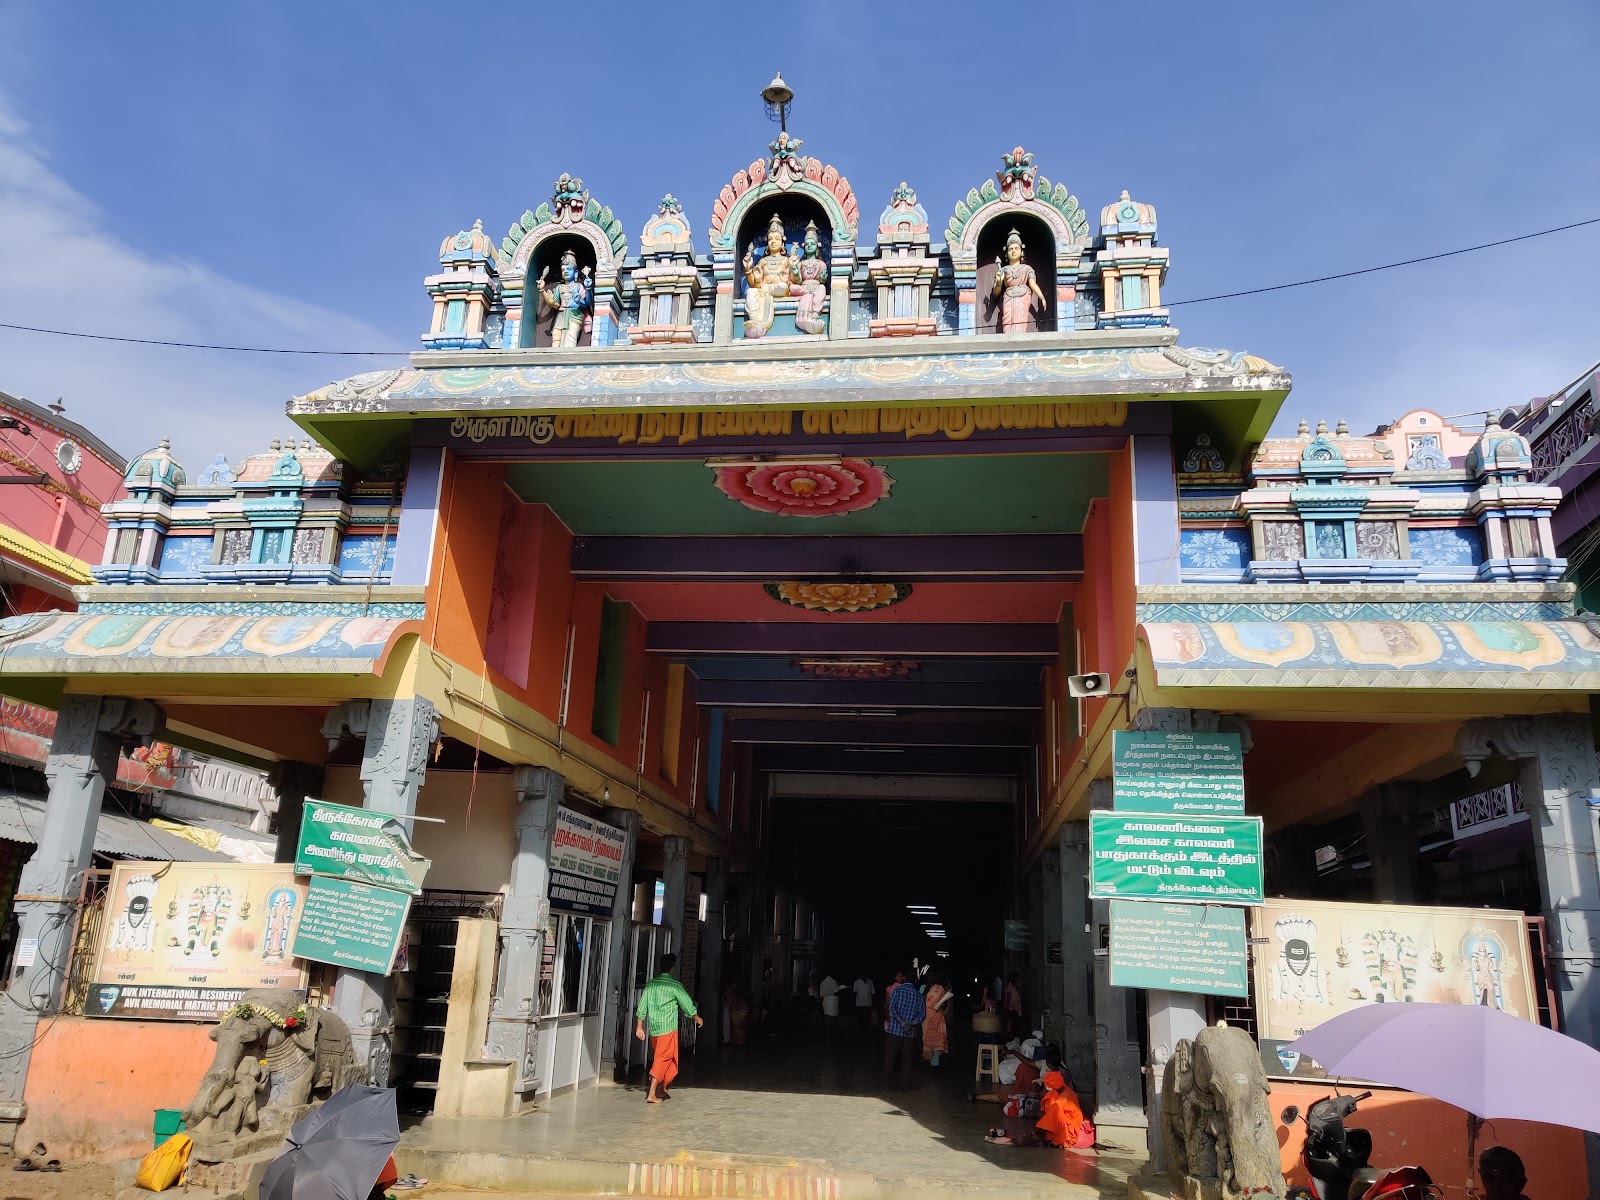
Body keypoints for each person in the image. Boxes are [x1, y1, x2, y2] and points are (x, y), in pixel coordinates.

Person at [634, 953, 703, 1105]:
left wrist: (639, 1027)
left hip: (654, 1030)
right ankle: (652, 1093)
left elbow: (642, 1007)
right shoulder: (674, 986)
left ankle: (661, 1089)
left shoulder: (651, 985)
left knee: (664, 1058)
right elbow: (687, 1004)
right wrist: (697, 1018)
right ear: (672, 968)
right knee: (663, 1059)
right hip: (668, 1029)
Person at [883, 969, 927, 1091]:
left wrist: (902, 1022)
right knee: (907, 1060)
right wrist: (910, 1023)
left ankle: (889, 1084)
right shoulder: (918, 995)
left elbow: (892, 1009)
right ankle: (905, 1085)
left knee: (890, 1057)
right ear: (915, 981)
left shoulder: (897, 991)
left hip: (895, 1030)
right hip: (910, 1032)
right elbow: (922, 1015)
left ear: (904, 978)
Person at [922, 979, 951, 1067]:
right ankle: (934, 1064)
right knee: (936, 1043)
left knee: (928, 1041)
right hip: (936, 1018)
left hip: (926, 1018)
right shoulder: (940, 989)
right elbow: (946, 1005)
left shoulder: (924, 988)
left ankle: (931, 1062)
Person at [1003, 973, 1024, 1038]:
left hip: (1015, 1007)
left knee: (1014, 1021)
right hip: (1012, 1008)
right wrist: (1007, 1006)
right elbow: (1008, 997)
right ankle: (1010, 1035)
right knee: (1012, 1022)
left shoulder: (1015, 987)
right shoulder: (1010, 987)